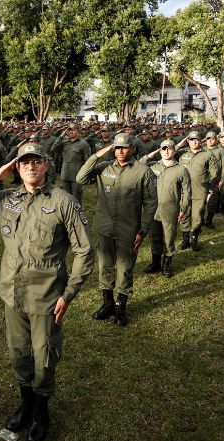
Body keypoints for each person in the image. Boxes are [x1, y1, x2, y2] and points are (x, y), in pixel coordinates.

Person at [0, 143, 94, 441]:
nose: (31, 167)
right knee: (19, 353)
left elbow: (85, 251)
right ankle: (26, 402)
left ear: (46, 165)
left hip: (47, 296)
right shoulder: (7, 199)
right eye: (24, 163)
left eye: (36, 162)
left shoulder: (64, 201)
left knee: (44, 356)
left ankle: (42, 409)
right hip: (12, 292)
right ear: (16, 168)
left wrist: (68, 293)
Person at [76, 133, 157, 327]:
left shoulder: (143, 172)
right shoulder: (105, 167)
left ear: (132, 148)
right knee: (105, 266)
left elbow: (151, 203)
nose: (120, 151)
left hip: (128, 229)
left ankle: (121, 307)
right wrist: (98, 154)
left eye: (124, 147)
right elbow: (80, 178)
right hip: (104, 226)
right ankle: (107, 304)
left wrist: (143, 229)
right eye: (117, 148)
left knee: (124, 268)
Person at [138, 139, 192, 277]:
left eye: (169, 148)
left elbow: (186, 192)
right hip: (153, 210)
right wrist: (152, 154)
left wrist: (183, 209)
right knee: (154, 237)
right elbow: (139, 164)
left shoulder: (181, 170)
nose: (166, 151)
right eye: (163, 149)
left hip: (170, 210)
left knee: (168, 238)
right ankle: (155, 263)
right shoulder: (153, 166)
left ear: (174, 151)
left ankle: (166, 264)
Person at [50, 124, 91, 202]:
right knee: (67, 198)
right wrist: (61, 136)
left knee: (76, 198)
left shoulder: (83, 144)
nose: (70, 132)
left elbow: (88, 161)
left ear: (78, 131)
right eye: (69, 130)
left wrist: (85, 175)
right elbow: (53, 148)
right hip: (65, 174)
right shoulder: (64, 142)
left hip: (77, 175)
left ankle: (77, 214)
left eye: (73, 130)